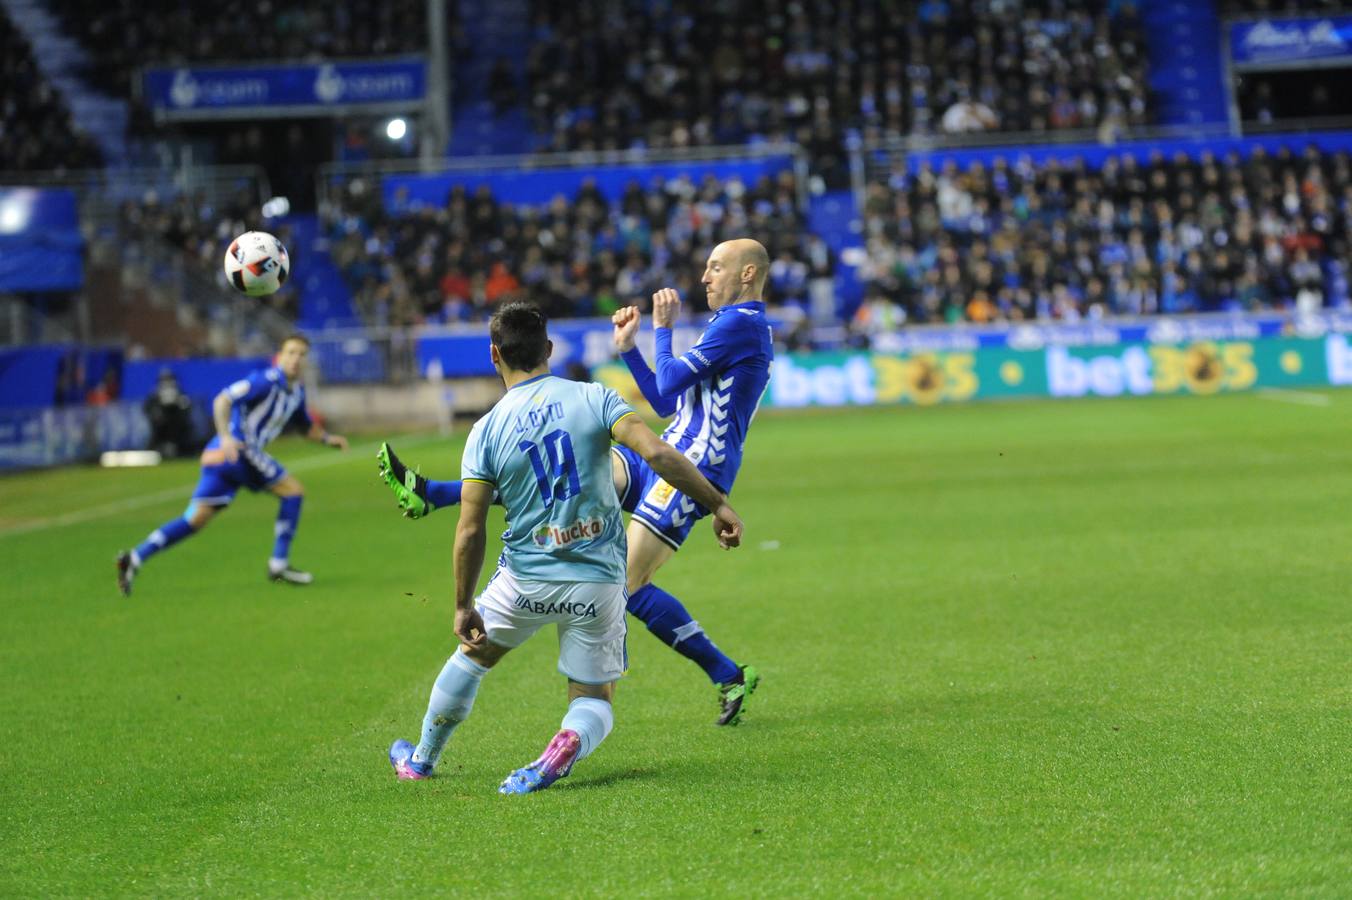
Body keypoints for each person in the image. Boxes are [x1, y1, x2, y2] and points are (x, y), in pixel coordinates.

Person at [377, 238, 774, 725]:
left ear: (749, 274)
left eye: (716, 267)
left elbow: (669, 383)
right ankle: (431, 494)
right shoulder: (728, 325)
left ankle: (728, 673)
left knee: (628, 585)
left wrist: (663, 331)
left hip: (693, 467)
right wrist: (630, 349)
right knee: (568, 477)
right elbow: (669, 404)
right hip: (667, 452)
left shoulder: (741, 324)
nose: (704, 277)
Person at [387, 302, 743, 793]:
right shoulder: (595, 397)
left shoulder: (484, 431)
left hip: (524, 580)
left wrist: (462, 605)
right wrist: (717, 504)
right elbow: (658, 454)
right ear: (549, 350)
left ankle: (421, 759)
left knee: (471, 657)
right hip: (597, 582)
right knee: (594, 696)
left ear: (495, 355)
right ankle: (567, 740)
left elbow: (470, 529)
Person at [115, 334, 348, 595]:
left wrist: (328, 439)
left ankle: (134, 558)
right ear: (280, 356)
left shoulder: (296, 393)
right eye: (291, 353)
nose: (296, 359)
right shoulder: (264, 382)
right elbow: (222, 400)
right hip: (240, 450)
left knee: (195, 519)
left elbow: (305, 428)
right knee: (293, 492)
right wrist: (225, 438)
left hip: (228, 459)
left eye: (301, 354)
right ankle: (278, 564)